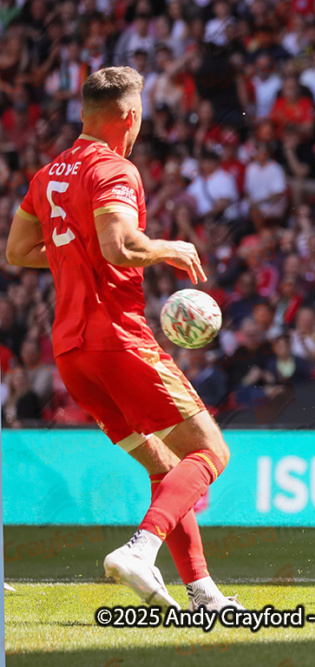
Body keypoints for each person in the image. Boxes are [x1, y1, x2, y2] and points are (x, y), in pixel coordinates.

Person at [6, 67, 239, 611]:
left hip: (71, 352)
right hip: (117, 341)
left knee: (165, 467)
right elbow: (118, 246)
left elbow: (17, 251)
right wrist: (168, 247)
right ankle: (142, 548)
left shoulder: (47, 175)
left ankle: (203, 592)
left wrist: (74, 257)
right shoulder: (115, 168)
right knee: (210, 451)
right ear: (130, 117)